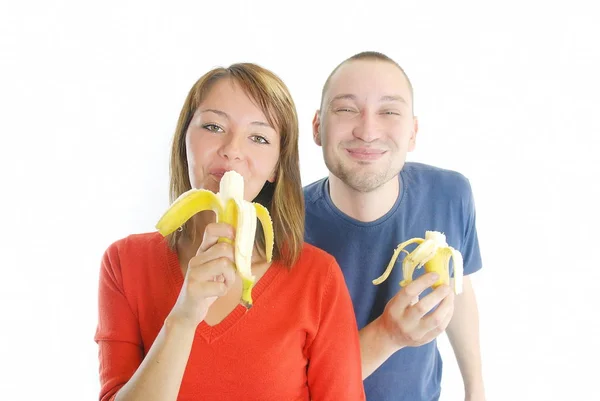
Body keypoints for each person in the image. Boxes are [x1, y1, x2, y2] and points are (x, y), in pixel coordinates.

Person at [94, 63, 366, 401]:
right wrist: (184, 317)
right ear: (184, 141)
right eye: (213, 126)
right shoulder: (125, 263)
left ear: (276, 168)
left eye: (258, 137)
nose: (232, 150)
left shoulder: (318, 277)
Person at [303, 51, 486, 401]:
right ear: (317, 128)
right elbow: (292, 381)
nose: (368, 130)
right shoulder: (282, 226)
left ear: (413, 132)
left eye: (389, 111)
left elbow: (457, 289)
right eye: (345, 109)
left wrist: (475, 390)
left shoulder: (451, 194)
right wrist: (389, 335)